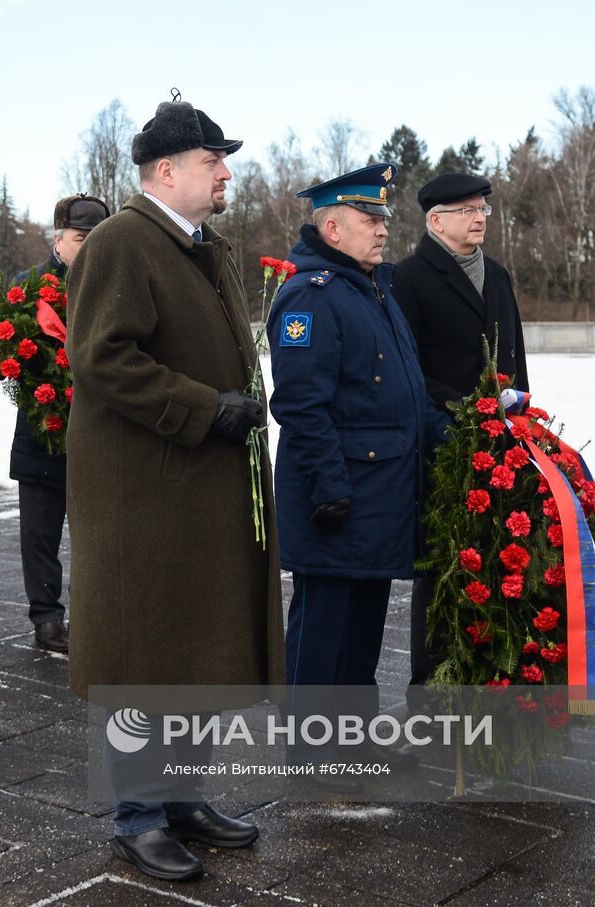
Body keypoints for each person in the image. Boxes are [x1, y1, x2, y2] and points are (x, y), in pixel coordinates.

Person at [65, 99, 284, 882]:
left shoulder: (202, 245)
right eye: (210, 161)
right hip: (142, 497)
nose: (225, 172)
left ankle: (184, 796)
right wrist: (204, 410)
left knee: (192, 649)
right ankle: (138, 815)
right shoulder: (123, 242)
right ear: (166, 171)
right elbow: (101, 358)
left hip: (195, 489)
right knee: (145, 653)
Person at [267, 163, 451, 787]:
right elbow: (299, 404)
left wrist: (455, 438)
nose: (381, 231)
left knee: (364, 622)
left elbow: (407, 391)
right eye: (370, 221)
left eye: (382, 220)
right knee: (326, 625)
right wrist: (330, 486)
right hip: (338, 496)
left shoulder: (373, 289)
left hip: (379, 495)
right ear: (334, 226)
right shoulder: (311, 295)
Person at [392, 172, 530, 692]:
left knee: (496, 558)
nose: (479, 219)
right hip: (442, 445)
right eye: (468, 210)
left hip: (501, 445)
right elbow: (408, 369)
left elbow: (514, 358)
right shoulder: (409, 277)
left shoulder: (497, 274)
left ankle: (486, 677)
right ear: (436, 220)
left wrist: (520, 420)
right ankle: (429, 689)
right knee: (443, 568)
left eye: (483, 210)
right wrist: (467, 409)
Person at [7, 193, 110, 654]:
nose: (89, 248)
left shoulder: (114, 282)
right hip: (43, 430)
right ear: (59, 237)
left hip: (103, 434)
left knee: (99, 537)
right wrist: (12, 358)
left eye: (98, 238)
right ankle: (46, 618)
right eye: (81, 238)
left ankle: (96, 616)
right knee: (41, 535)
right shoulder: (27, 288)